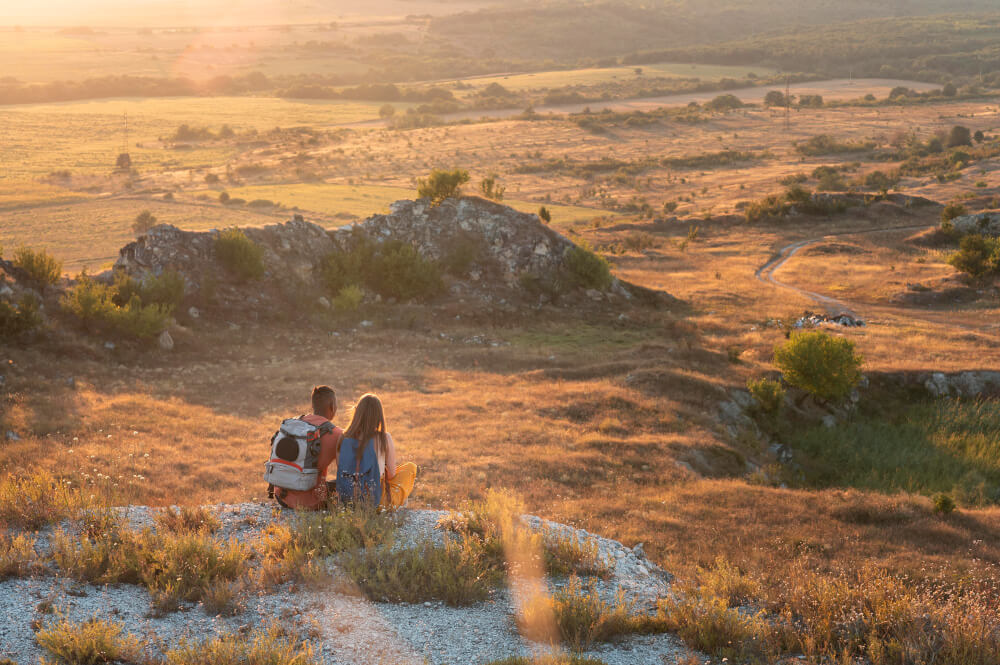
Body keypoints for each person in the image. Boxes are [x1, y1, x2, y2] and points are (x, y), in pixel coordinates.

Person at [335, 393, 416, 509]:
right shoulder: (384, 438)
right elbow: (392, 474)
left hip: (348, 499)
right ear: (379, 416)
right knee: (410, 467)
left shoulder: (343, 438)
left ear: (357, 413)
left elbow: (341, 468)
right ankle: (393, 507)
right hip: (376, 501)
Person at [274, 385, 344, 510]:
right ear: (333, 406)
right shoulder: (337, 434)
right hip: (311, 502)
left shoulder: (293, 424)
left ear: (313, 406)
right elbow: (344, 472)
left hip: (281, 496)